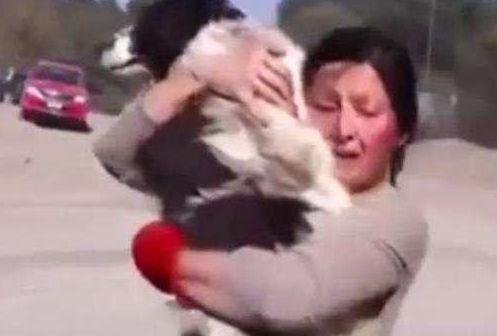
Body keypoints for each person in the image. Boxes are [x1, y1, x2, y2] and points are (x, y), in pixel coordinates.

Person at [93, 26, 429, 336]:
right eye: (326, 106)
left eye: (367, 112)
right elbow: (118, 154)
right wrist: (192, 76)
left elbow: (289, 300)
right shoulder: (269, 186)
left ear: (403, 131)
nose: (344, 130)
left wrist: (169, 258)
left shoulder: (394, 221)